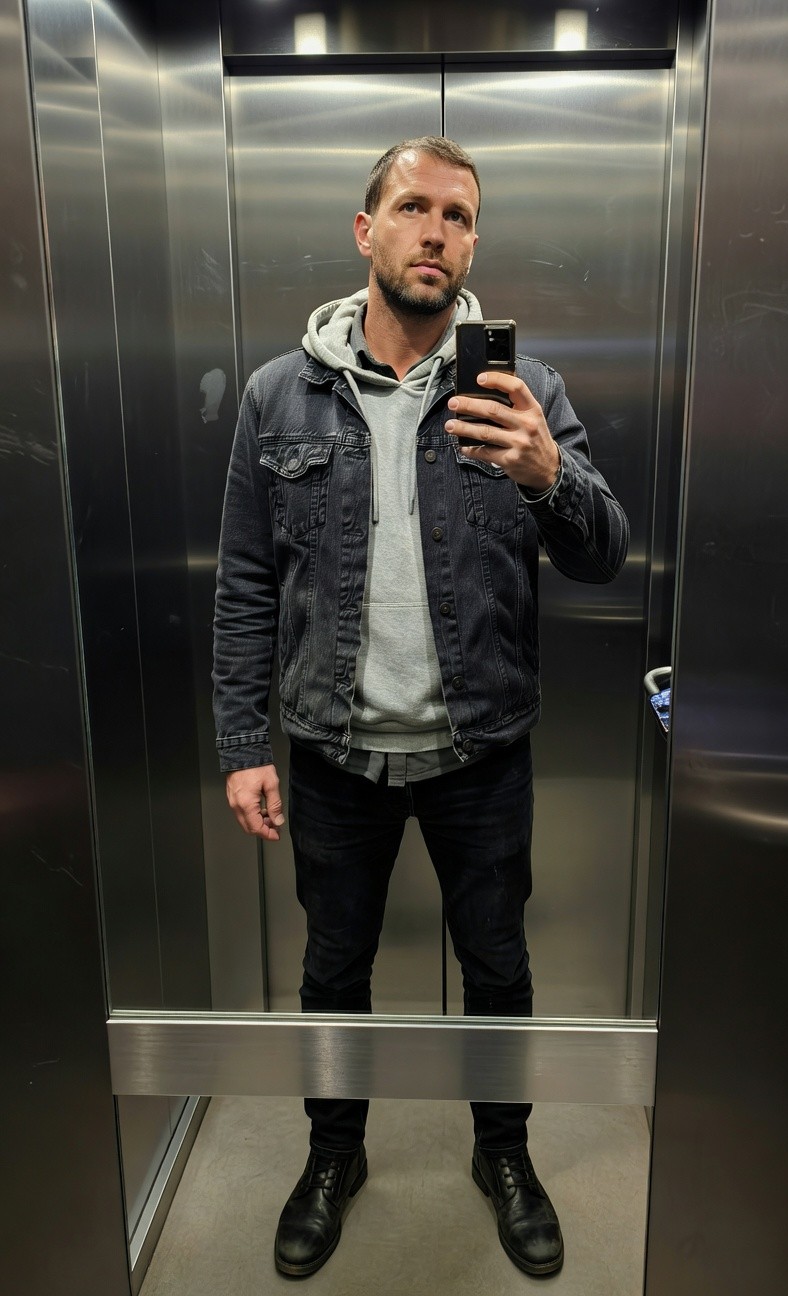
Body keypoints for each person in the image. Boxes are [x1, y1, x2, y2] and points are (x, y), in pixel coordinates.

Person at [213, 136, 629, 1280]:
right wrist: (244, 742)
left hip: (480, 748)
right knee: (331, 969)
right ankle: (332, 1155)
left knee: (498, 964)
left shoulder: (523, 388)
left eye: (458, 214)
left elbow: (606, 554)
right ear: (367, 231)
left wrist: (551, 474)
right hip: (333, 752)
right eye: (411, 207)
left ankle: (506, 1154)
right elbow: (246, 580)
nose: (435, 231)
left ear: (474, 241)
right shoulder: (276, 395)